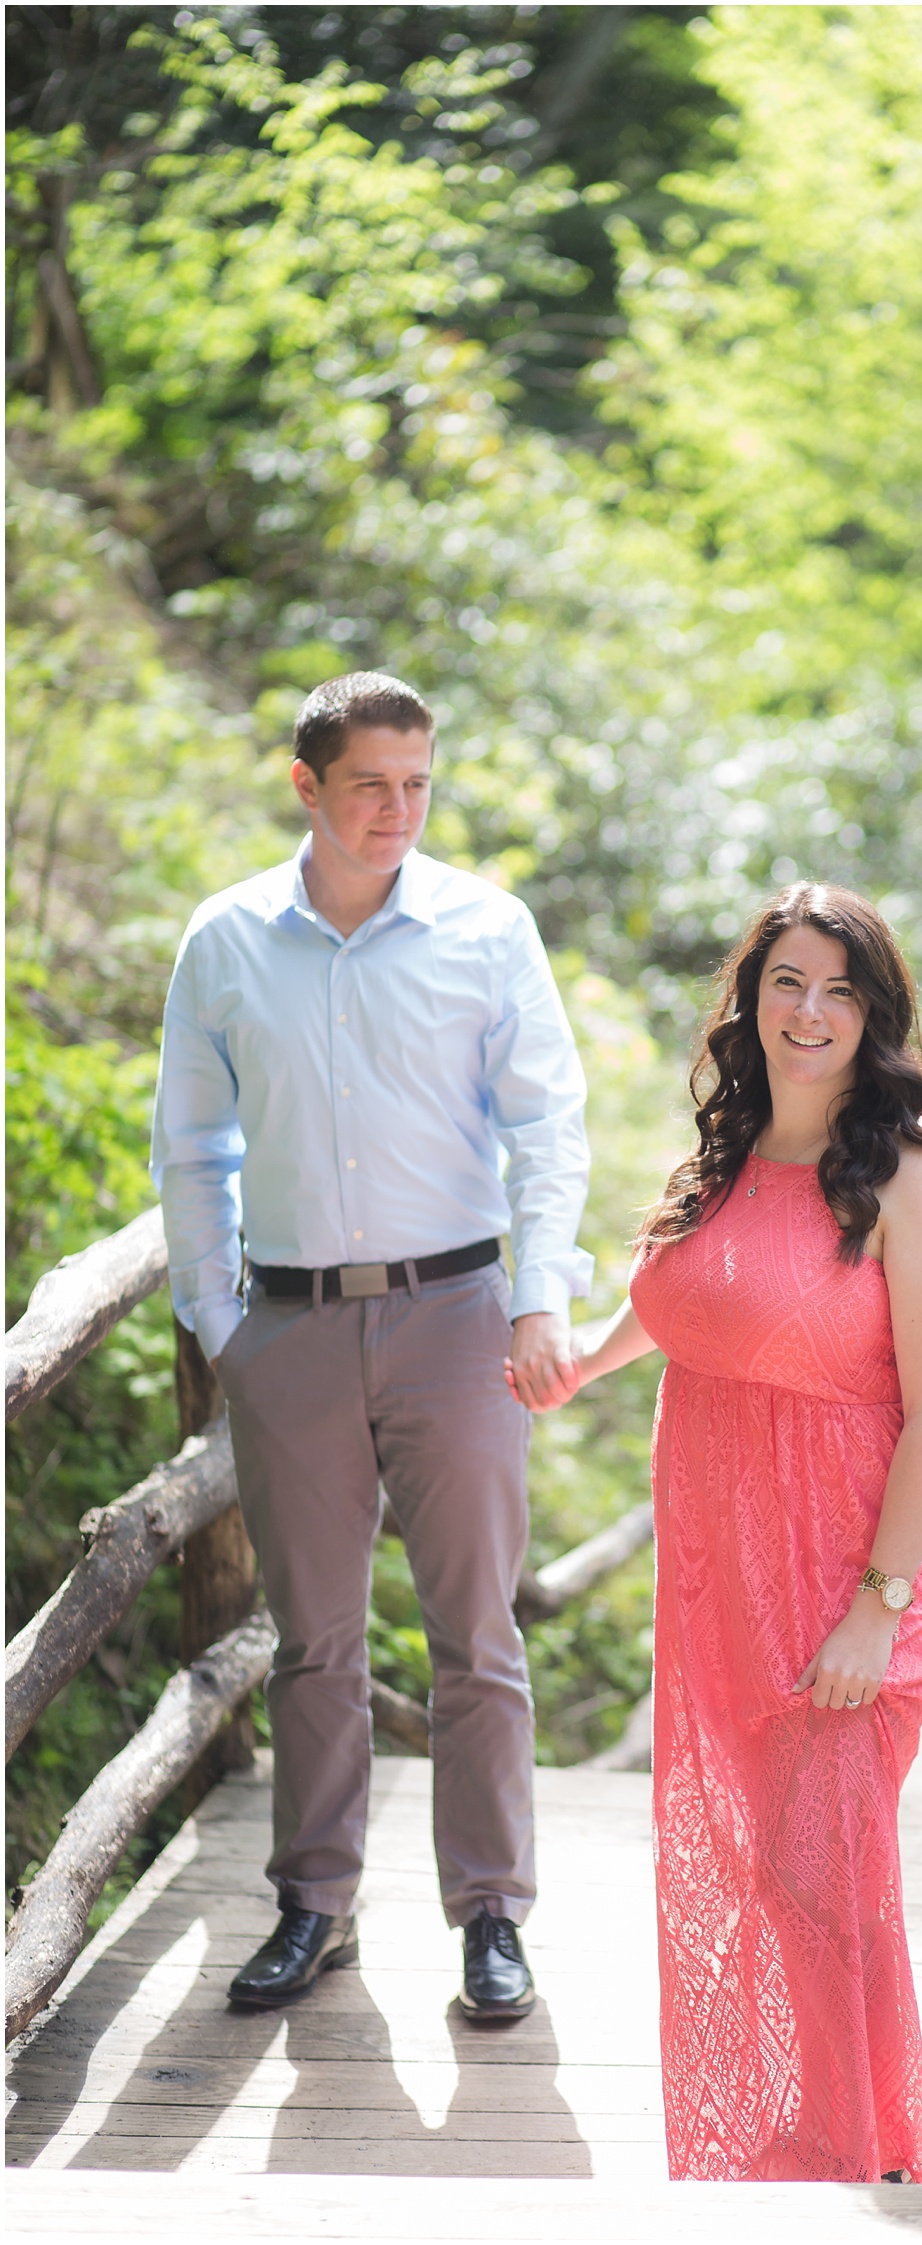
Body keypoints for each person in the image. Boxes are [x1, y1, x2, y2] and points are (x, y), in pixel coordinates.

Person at [511, 882, 922, 2182]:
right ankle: (811, 2133)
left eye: (842, 988)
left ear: (877, 1016)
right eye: (789, 980)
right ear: (751, 996)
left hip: (851, 1551)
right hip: (722, 1558)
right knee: (769, 1862)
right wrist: (577, 1365)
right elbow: (685, 1299)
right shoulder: (721, 1159)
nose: (811, 1009)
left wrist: (875, 1603)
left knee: (818, 1860)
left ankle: (864, 2156)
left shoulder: (917, 1181)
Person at [150, 672, 591, 2019]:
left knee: (476, 1632)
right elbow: (192, 1147)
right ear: (307, 786)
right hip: (287, 1325)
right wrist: (224, 1323)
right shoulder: (226, 941)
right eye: (369, 785)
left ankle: (491, 1918)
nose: (398, 809)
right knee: (314, 1643)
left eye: (417, 783)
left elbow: (548, 1127)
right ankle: (314, 1904)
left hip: (457, 1315)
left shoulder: (484, 927)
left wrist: (539, 1296)